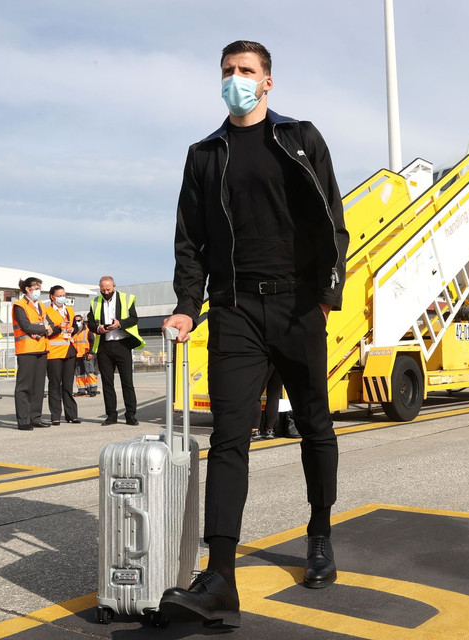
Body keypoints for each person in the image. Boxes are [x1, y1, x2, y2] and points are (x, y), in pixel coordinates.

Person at [159, 40, 348, 629]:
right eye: (228, 72)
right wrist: (188, 305)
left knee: (314, 424)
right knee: (229, 440)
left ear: (268, 82)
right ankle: (220, 575)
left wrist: (324, 298)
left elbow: (332, 222)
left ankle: (319, 532)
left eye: (246, 71)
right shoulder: (205, 153)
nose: (236, 80)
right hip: (235, 311)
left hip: (296, 308)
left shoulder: (301, 139)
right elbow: (190, 239)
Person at [87, 276, 145, 426]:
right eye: (103, 290)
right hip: (104, 346)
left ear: (114, 286)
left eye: (108, 289)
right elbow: (91, 322)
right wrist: (98, 328)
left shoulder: (127, 299)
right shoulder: (95, 302)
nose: (106, 292)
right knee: (107, 383)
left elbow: (134, 319)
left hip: (122, 344)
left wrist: (120, 324)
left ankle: (130, 415)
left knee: (127, 382)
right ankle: (111, 415)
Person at [12, 277, 55, 430]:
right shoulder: (19, 305)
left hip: (41, 349)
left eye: (39, 288)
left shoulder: (41, 306)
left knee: (38, 386)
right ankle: (23, 420)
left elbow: (50, 324)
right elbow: (25, 325)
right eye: (36, 288)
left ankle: (35, 417)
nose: (38, 291)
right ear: (27, 289)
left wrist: (47, 327)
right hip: (26, 350)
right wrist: (44, 328)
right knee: (24, 387)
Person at [44, 286, 80, 425]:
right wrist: (59, 327)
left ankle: (72, 415)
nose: (62, 297)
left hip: (69, 350)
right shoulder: (47, 311)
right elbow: (47, 331)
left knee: (68, 385)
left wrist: (73, 328)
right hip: (54, 353)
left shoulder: (69, 310)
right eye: (59, 295)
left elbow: (76, 327)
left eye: (64, 294)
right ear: (52, 296)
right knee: (54, 384)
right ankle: (55, 415)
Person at [71, 314, 99, 397]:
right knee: (79, 374)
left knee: (90, 372)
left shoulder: (87, 330)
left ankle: (93, 389)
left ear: (82, 321)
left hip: (86, 354)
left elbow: (93, 342)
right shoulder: (73, 331)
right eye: (76, 321)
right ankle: (81, 390)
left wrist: (91, 353)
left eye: (79, 320)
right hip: (77, 355)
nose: (77, 322)